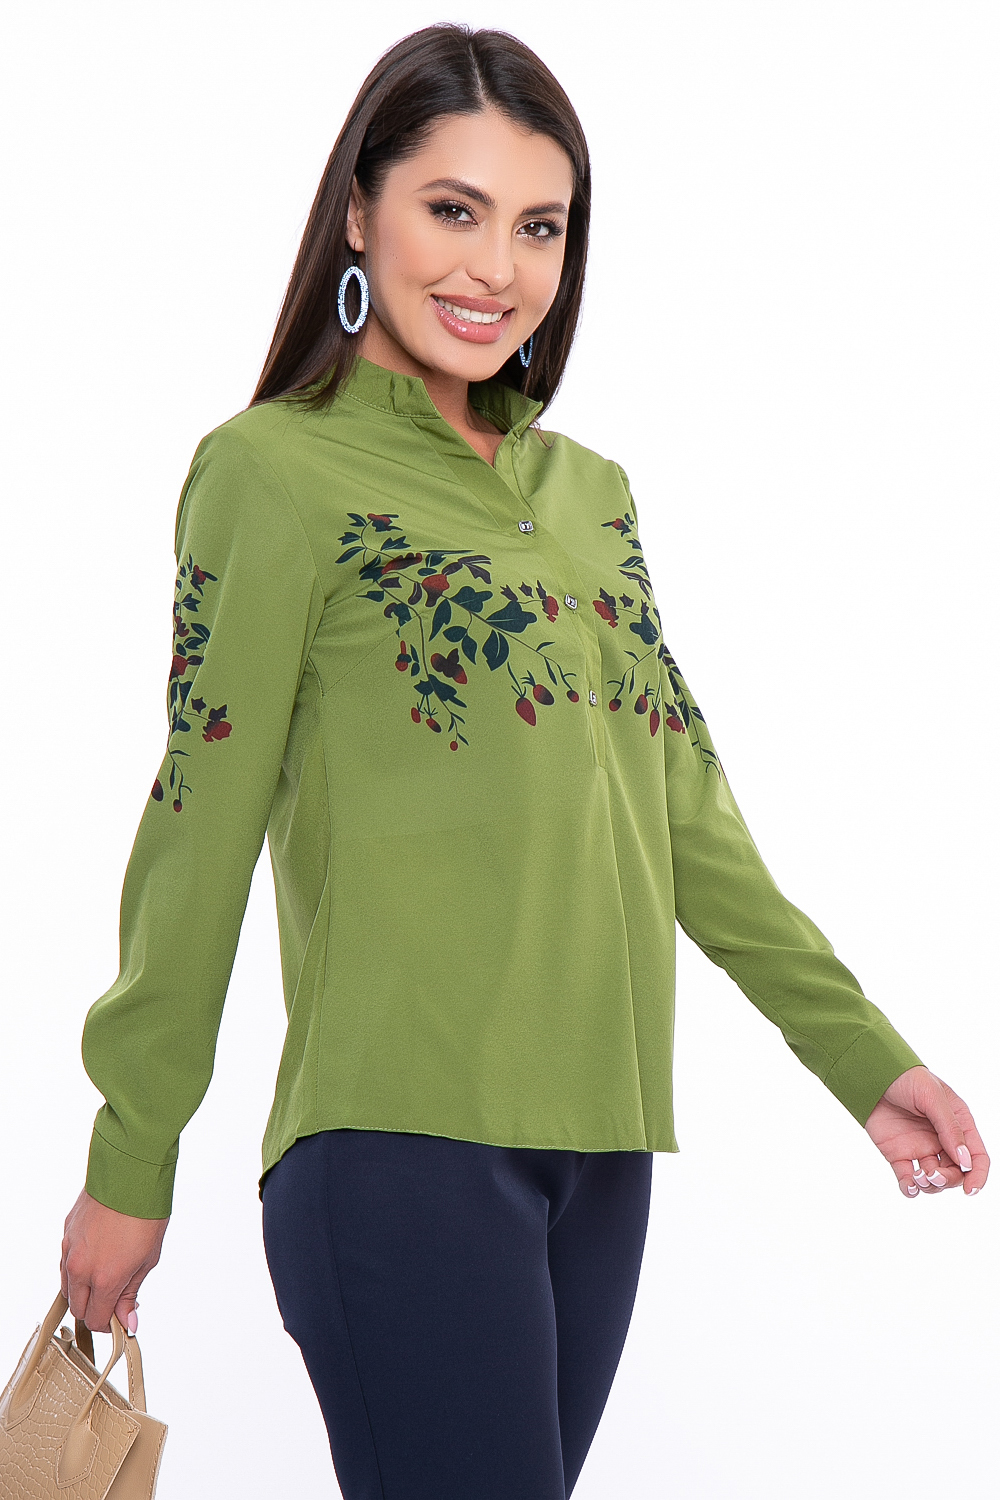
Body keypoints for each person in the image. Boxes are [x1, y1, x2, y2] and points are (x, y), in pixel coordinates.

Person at [60, 23, 989, 1500]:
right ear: (358, 212)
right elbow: (196, 827)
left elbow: (686, 815)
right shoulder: (272, 472)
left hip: (603, 1151)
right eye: (455, 209)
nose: (497, 268)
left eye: (540, 226)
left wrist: (864, 1061)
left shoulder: (589, 496)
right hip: (396, 1146)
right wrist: (132, 1158)